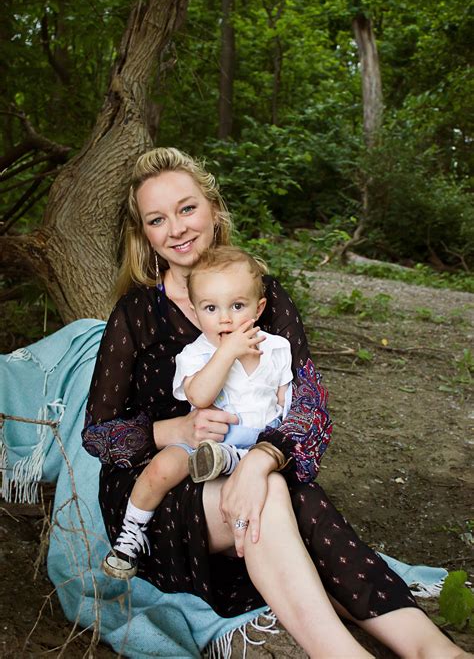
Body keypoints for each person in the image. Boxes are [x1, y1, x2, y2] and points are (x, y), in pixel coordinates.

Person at [82, 147, 470, 658]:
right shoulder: (136, 314)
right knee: (279, 497)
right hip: (159, 494)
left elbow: (309, 407)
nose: (176, 228)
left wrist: (260, 461)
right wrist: (171, 431)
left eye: (187, 208)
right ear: (145, 234)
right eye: (157, 219)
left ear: (214, 210)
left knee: (286, 493)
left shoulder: (266, 296)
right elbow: (97, 435)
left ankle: (434, 652)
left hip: (247, 469)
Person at [102, 245, 293, 580]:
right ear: (195, 310)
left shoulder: (277, 348)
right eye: (210, 308)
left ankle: (228, 462)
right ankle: (131, 535)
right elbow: (200, 396)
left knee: (253, 469)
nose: (225, 318)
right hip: (204, 440)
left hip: (256, 446)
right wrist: (228, 352)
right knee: (162, 466)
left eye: (237, 306)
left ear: (259, 308)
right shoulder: (197, 353)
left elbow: (285, 399)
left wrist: (276, 444)